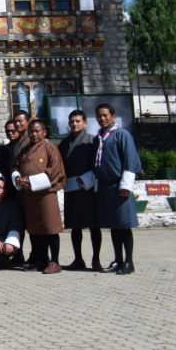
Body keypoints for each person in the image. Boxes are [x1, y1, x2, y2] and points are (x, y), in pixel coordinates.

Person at [92, 103, 142, 275]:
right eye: (99, 116)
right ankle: (118, 259)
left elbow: (130, 160)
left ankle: (129, 262)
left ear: (112, 116)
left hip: (120, 186)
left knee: (124, 225)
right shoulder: (98, 137)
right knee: (114, 226)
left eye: (105, 115)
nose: (102, 118)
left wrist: (126, 186)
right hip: (105, 188)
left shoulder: (122, 135)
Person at [12, 119, 66, 274]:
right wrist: (18, 178)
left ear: (44, 132)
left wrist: (31, 181)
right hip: (29, 195)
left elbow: (54, 170)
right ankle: (40, 259)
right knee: (35, 230)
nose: (34, 134)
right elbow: (16, 166)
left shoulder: (50, 148)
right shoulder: (25, 149)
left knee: (50, 228)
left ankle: (55, 261)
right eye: (31, 132)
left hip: (45, 195)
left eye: (37, 131)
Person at [59, 110, 101, 271]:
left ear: (85, 123)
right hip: (71, 188)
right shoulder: (64, 144)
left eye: (78, 121)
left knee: (93, 225)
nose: (74, 124)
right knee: (75, 226)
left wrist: (86, 179)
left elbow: (97, 164)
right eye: (72, 121)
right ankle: (78, 259)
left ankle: (95, 259)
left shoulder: (92, 141)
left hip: (88, 189)